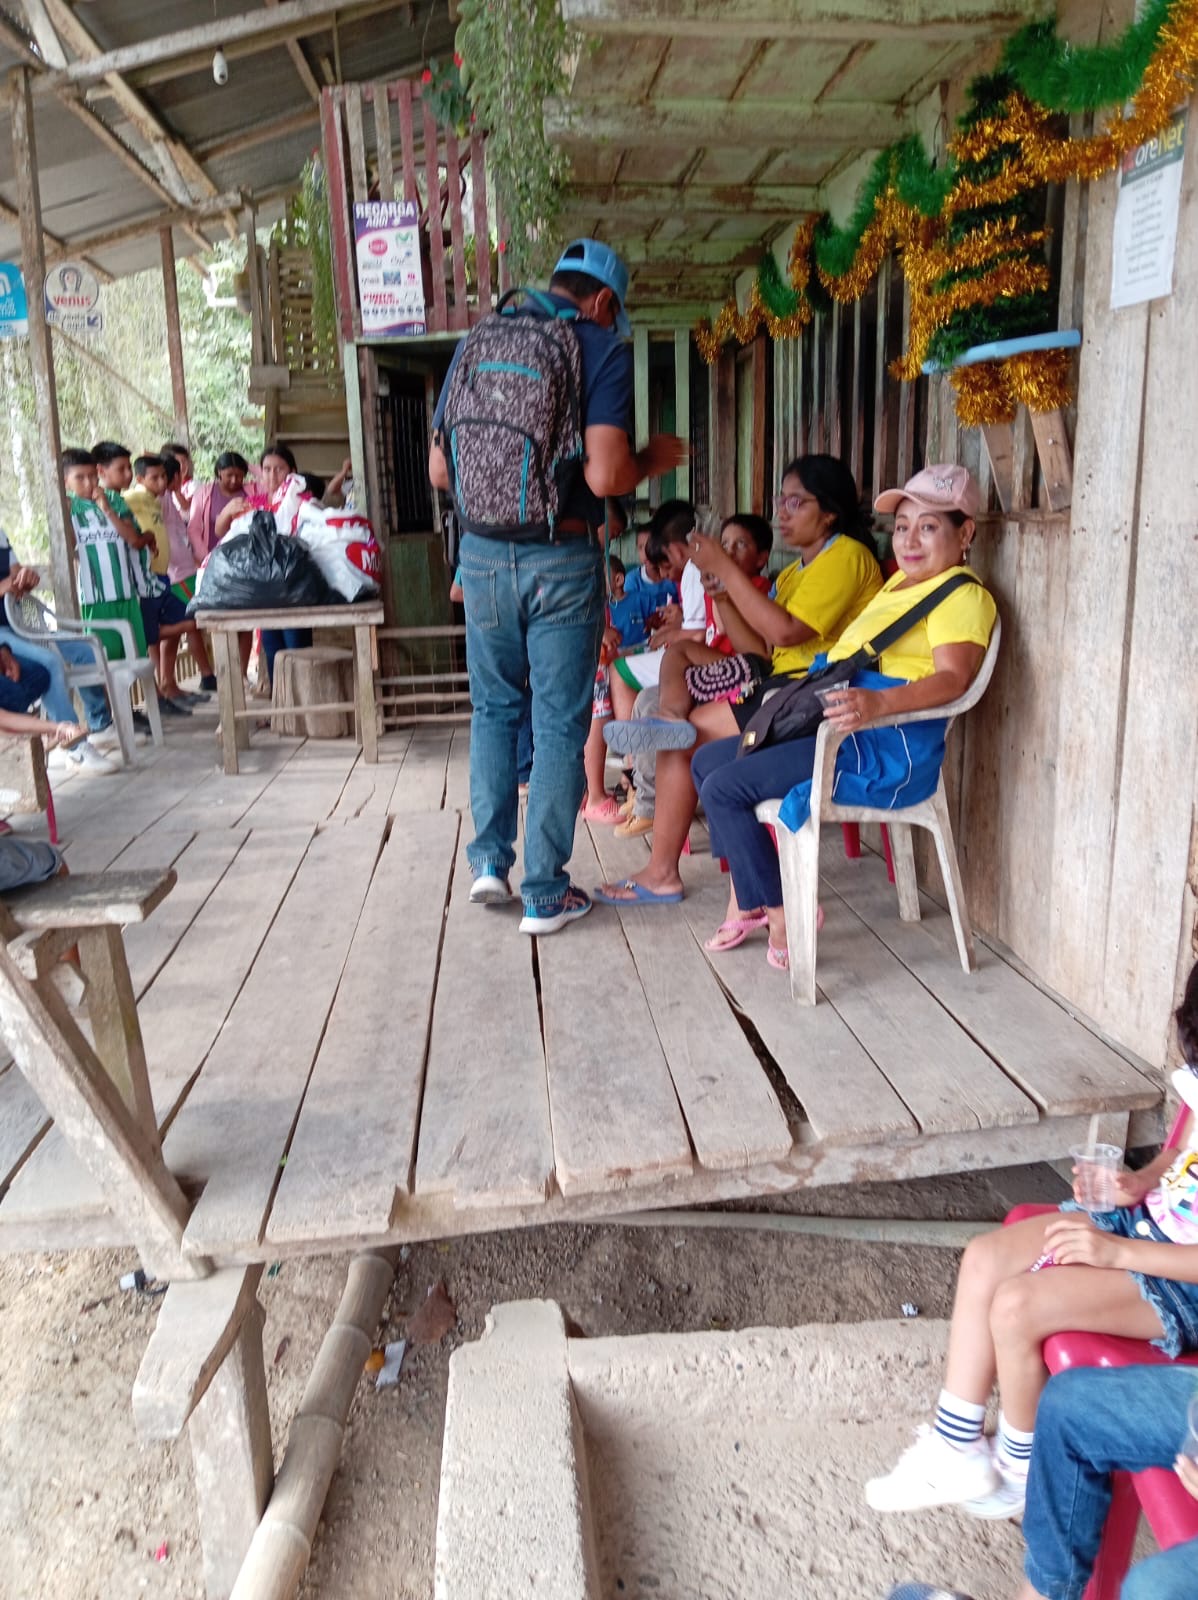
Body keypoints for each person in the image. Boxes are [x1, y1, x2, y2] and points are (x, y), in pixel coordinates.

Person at [864, 951, 1198, 1522]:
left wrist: (1116, 1252)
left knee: (1016, 1307)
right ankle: (956, 1447)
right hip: (1145, 1223)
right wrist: (1138, 1182)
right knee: (984, 1259)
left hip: (1179, 1282)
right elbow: (1181, 1151)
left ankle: (1024, 1468)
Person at [428, 236, 686, 935]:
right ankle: (544, 892)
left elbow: (441, 471)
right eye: (614, 311)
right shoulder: (599, 347)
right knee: (558, 723)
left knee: (493, 711)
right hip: (561, 557)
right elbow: (605, 476)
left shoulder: (480, 339)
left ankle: (489, 863)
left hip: (482, 556)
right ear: (602, 301)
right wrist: (651, 459)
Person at [593, 455, 883, 916]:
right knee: (677, 708)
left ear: (829, 512)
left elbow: (787, 633)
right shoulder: (797, 571)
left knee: (682, 740)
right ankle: (667, 720)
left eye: (796, 502)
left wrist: (727, 570)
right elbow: (761, 649)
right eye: (780, 500)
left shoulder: (846, 556)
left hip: (808, 697)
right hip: (775, 682)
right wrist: (722, 596)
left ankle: (663, 873)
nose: (782, 511)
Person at [0, 518, 118, 772]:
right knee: (50, 661)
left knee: (87, 651)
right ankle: (75, 748)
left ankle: (99, 724)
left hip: (21, 621)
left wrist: (26, 577)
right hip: (2, 635)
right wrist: (4, 586)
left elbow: (16, 574)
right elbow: (6, 584)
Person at [93, 441, 199, 719]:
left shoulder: (127, 499)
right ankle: (140, 705)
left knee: (178, 625)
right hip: (130, 584)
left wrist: (145, 537)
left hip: (151, 578)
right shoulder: (123, 498)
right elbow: (133, 539)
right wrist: (144, 538)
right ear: (101, 471)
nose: (127, 474)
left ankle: (160, 692)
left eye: (128, 468)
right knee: (131, 644)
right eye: (122, 469)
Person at [655, 512, 774, 724]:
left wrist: (720, 576)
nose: (730, 551)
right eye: (725, 544)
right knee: (672, 658)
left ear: (761, 559)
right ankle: (669, 718)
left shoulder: (757, 586)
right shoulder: (718, 584)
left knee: (678, 652)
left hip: (744, 663)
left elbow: (722, 626)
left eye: (741, 544)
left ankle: (670, 718)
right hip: (718, 659)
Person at [188, 451, 248, 563]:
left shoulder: (253, 491)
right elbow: (193, 529)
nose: (234, 480)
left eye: (239, 476)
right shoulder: (204, 493)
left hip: (243, 560)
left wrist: (248, 465)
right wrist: (205, 557)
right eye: (229, 475)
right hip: (211, 557)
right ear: (219, 472)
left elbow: (274, 481)